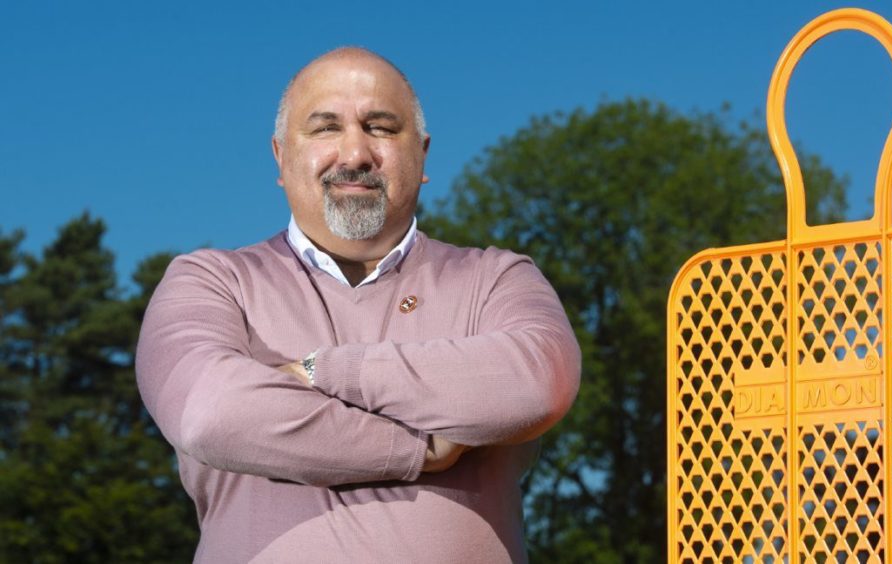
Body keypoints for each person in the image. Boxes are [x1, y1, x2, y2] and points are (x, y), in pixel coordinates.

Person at [136, 47, 581, 563]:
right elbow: (211, 414)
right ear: (280, 157)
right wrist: (415, 449)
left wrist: (318, 371)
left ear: (423, 155)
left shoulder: (496, 278)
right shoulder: (209, 281)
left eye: (381, 127)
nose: (354, 154)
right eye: (325, 128)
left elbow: (537, 382)